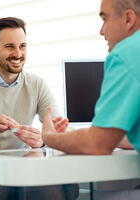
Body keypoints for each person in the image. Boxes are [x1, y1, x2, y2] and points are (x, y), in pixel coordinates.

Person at [0, 17, 79, 200]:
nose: (18, 54)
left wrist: (43, 140)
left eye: (23, 46)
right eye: (10, 46)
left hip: (20, 171)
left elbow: (60, 131)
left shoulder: (37, 85)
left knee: (66, 187)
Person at [42, 0, 140, 199]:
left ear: (128, 19)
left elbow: (98, 145)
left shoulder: (128, 52)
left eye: (105, 19)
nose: (101, 31)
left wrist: (49, 137)